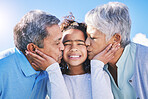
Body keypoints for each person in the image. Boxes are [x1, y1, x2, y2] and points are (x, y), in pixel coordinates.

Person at [27, 13, 120, 99]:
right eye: (67, 43)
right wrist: (53, 69)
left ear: (87, 45)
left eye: (80, 43)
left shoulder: (100, 73)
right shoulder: (55, 76)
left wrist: (97, 64)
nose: (74, 48)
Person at [0, 10, 70, 99]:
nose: (62, 47)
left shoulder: (50, 68)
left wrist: (53, 69)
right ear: (33, 49)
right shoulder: (2, 67)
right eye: (57, 43)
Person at [85, 2, 148, 99]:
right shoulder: (93, 65)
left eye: (92, 37)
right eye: (86, 36)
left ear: (116, 38)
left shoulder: (145, 58)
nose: (86, 43)